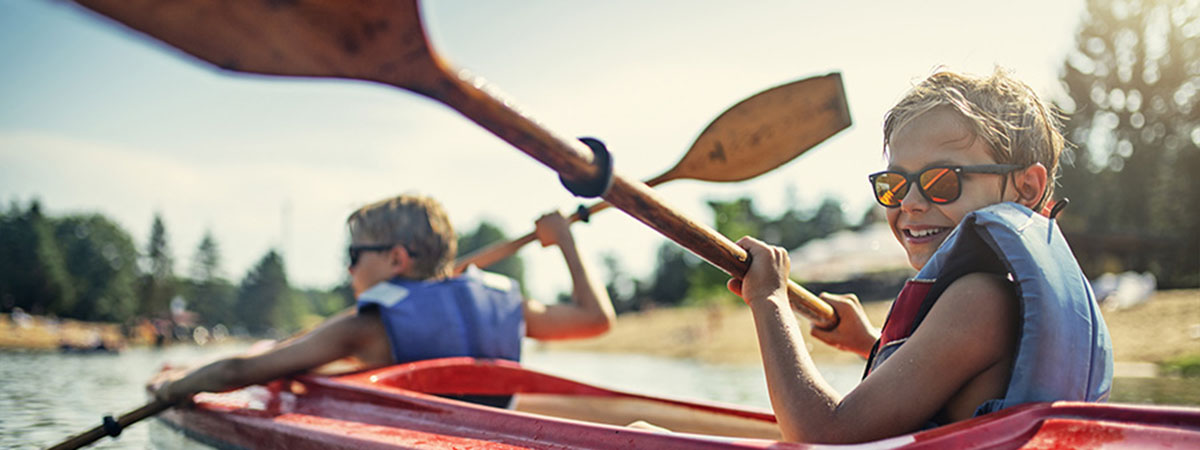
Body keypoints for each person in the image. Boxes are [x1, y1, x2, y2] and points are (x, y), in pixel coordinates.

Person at [727, 69, 1113, 443]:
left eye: (942, 181)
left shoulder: (979, 300)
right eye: (894, 185)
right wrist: (872, 343)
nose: (909, 203)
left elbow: (823, 435)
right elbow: (956, 378)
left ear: (1026, 187)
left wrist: (769, 298)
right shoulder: (994, 300)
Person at [149, 193, 614, 405]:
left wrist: (173, 387)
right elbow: (595, 320)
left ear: (395, 259)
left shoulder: (363, 326)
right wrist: (567, 244)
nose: (348, 267)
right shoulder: (504, 305)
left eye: (354, 254)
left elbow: (239, 372)